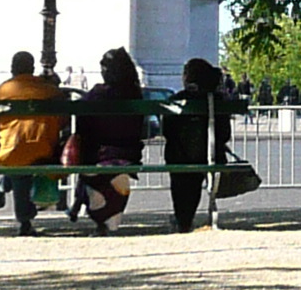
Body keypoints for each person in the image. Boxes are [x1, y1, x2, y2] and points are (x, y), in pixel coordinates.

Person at [62, 47, 152, 233]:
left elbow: (81, 119)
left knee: (86, 154)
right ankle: (83, 207)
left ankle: (81, 205)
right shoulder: (135, 93)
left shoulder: (99, 93)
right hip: (129, 153)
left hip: (100, 154)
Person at [0, 51, 69, 236]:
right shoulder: (51, 91)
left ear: (12, 69)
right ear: (32, 69)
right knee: (27, 158)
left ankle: (23, 218)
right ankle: (20, 213)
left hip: (10, 151)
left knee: (18, 162)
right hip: (44, 148)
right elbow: (63, 121)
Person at [165, 57, 235, 231]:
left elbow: (167, 131)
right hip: (210, 156)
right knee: (197, 170)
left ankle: (183, 220)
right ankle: (200, 217)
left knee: (182, 177)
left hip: (180, 156)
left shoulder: (177, 99)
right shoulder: (218, 100)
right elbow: (225, 134)